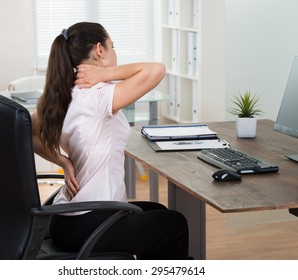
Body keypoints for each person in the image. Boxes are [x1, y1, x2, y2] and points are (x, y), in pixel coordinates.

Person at [31, 22, 189, 259]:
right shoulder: (98, 94)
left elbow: (26, 131)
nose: (115, 51)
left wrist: (64, 161)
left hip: (65, 220)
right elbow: (156, 70)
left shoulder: (62, 94)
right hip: (93, 223)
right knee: (175, 225)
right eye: (112, 45)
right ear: (99, 50)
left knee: (157, 212)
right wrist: (105, 74)